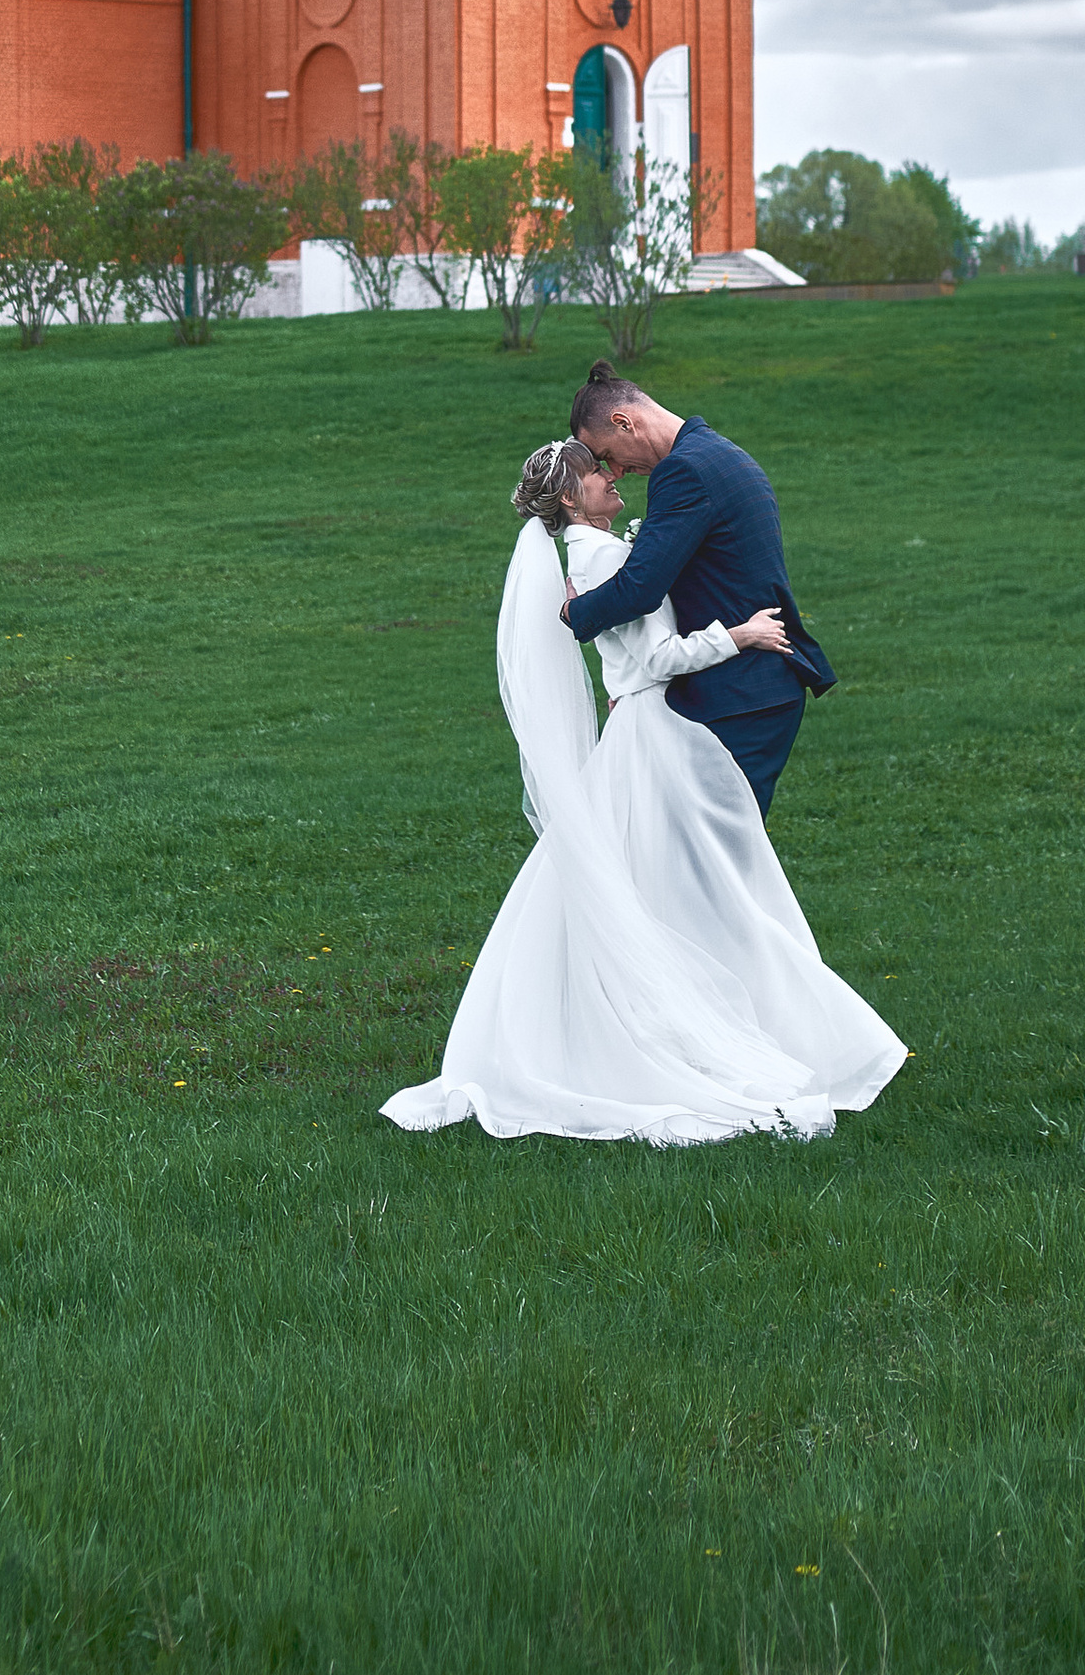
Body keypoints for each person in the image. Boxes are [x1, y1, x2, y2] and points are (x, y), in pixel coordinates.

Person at [381, 438, 904, 1147]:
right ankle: (701, 1029)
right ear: (572, 497)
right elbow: (654, 660)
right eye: (600, 472)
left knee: (645, 885)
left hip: (637, 732)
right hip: (655, 734)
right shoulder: (598, 559)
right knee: (701, 883)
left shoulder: (584, 556)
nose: (614, 476)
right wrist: (739, 633)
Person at [558, 358, 828, 817]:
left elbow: (641, 588)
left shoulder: (684, 472)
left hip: (738, 693)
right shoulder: (719, 453)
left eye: (607, 454)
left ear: (625, 422)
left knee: (711, 863)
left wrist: (574, 615)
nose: (615, 471)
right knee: (710, 861)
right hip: (753, 688)